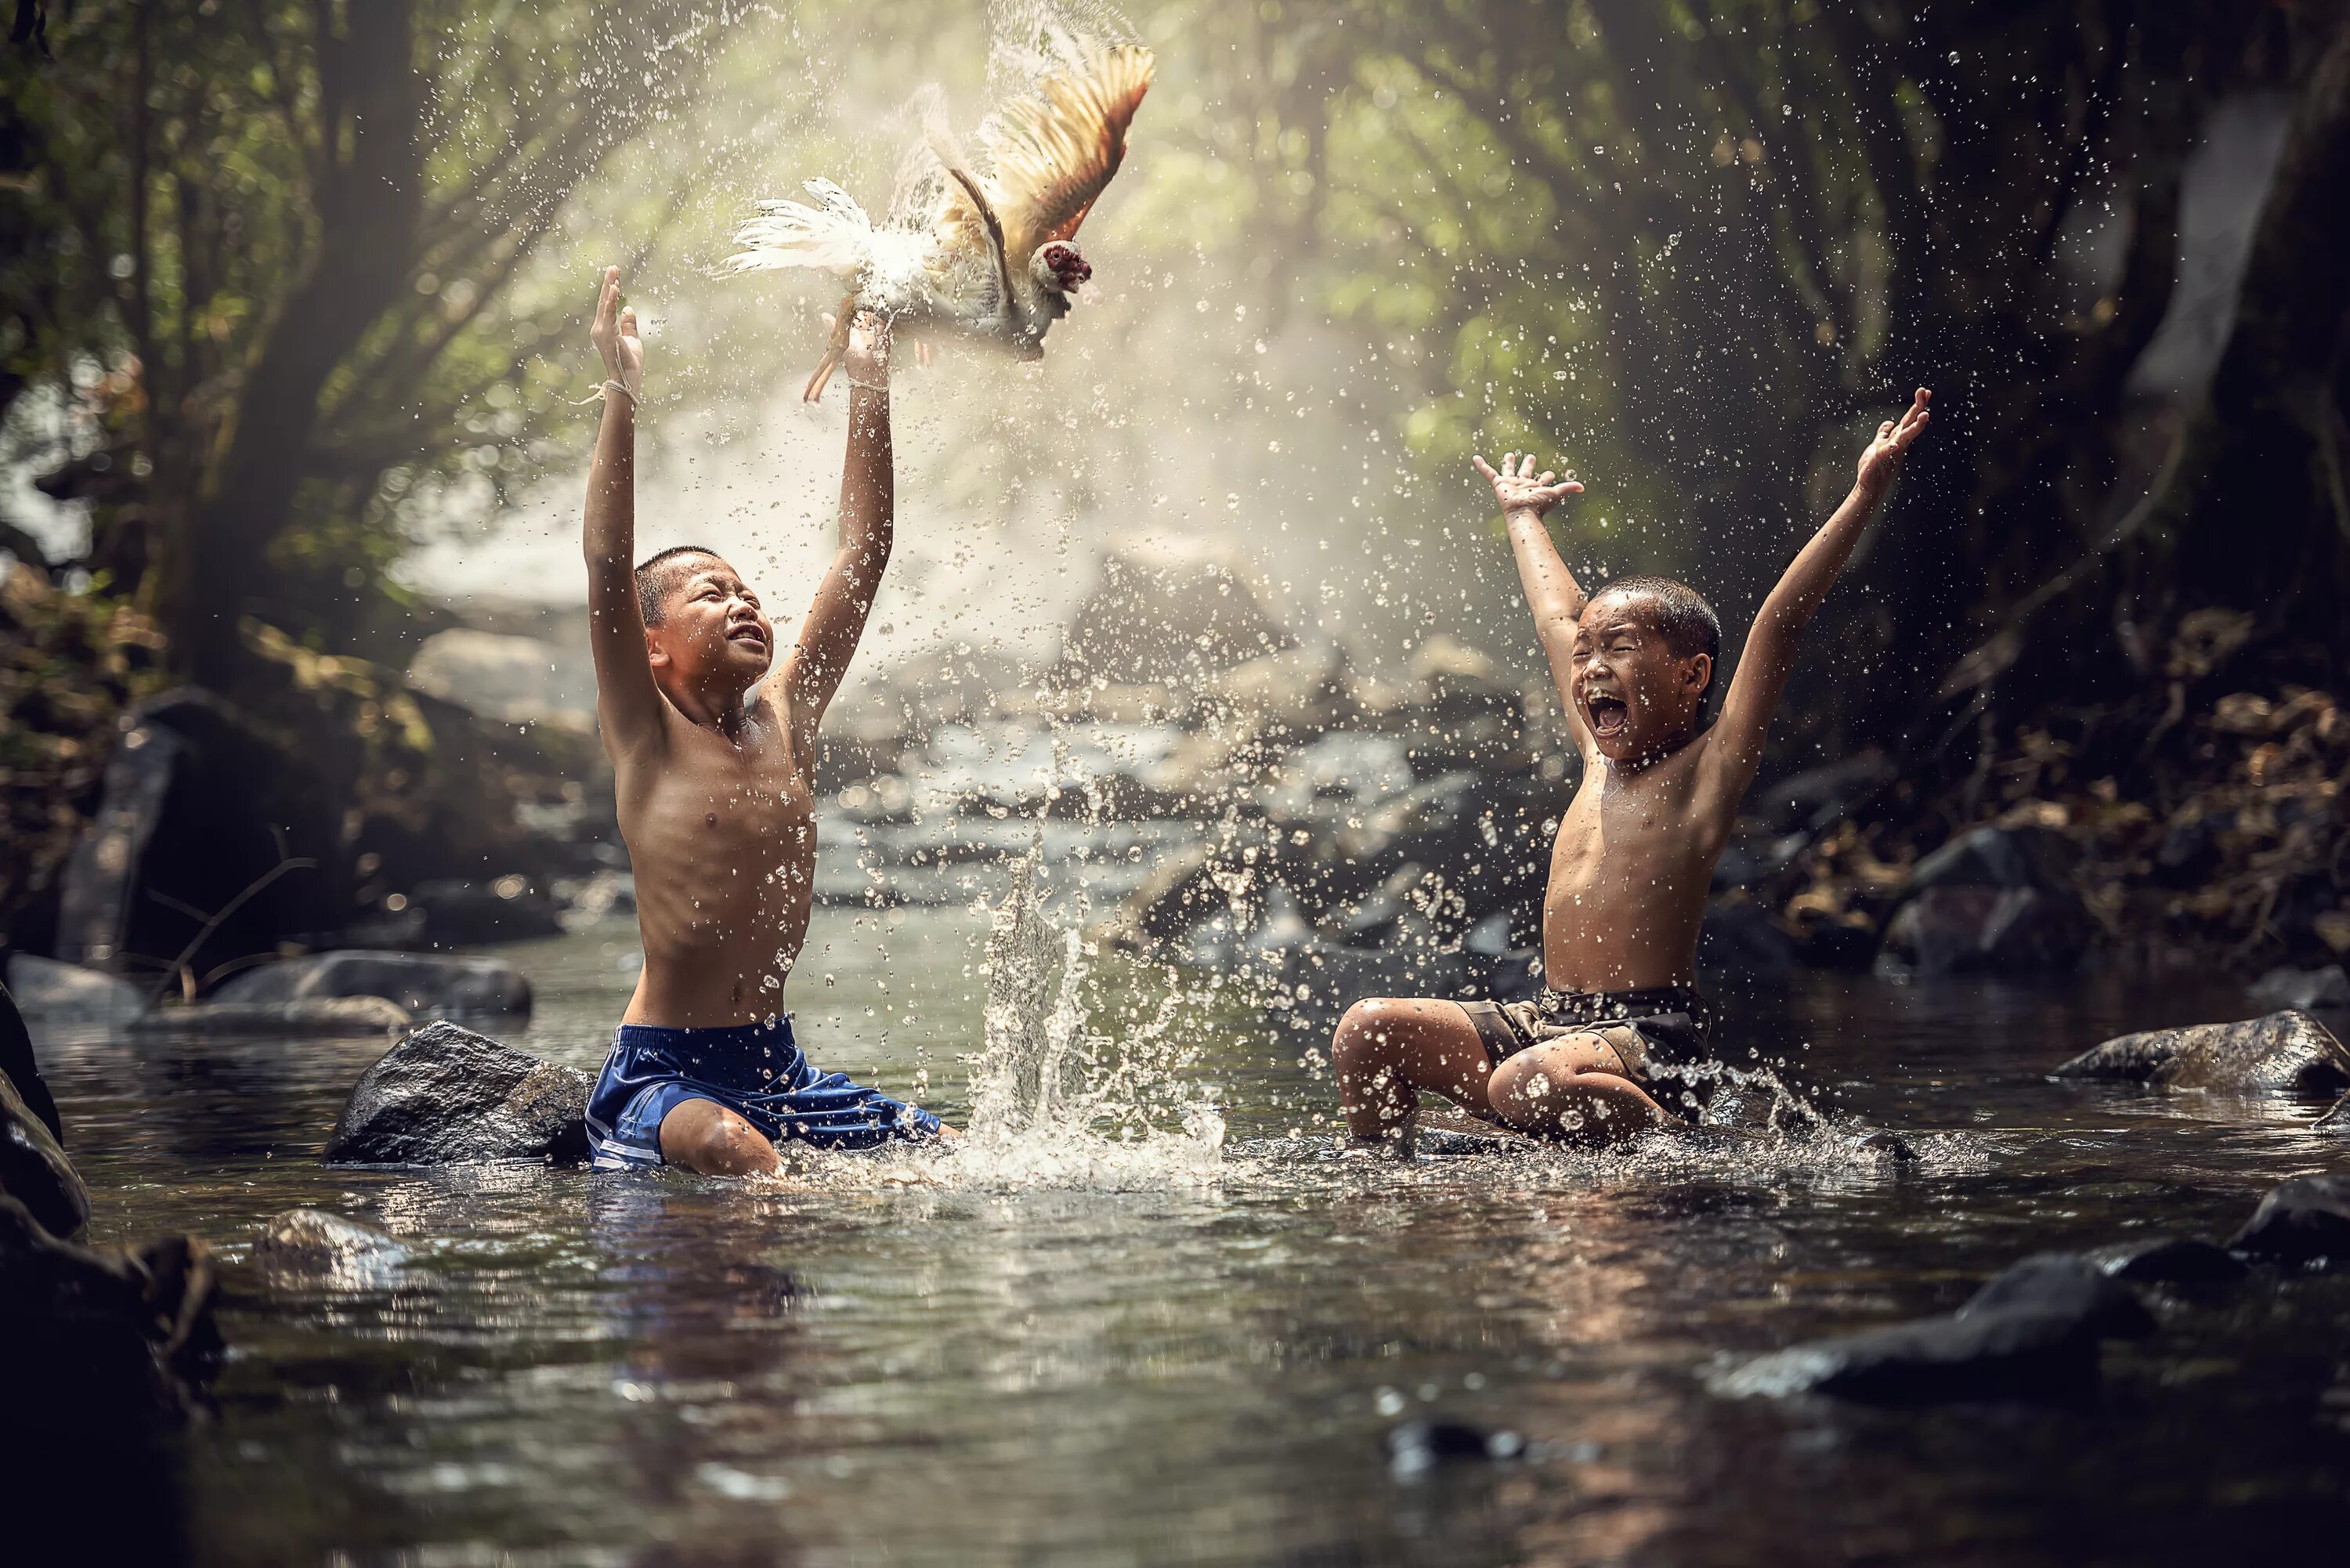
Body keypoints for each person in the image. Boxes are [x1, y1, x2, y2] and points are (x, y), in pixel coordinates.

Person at [1331, 388, 1935, 1151]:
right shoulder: (1595, 754)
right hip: (1551, 1021)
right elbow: (1559, 616)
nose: (1590, 669)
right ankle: (1395, 1189)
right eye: (1586, 656)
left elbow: (1781, 619)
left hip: (1647, 1035)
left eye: (1618, 649)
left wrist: (1862, 495)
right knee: (1368, 1031)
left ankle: (1684, 1153)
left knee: (1522, 1082)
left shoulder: (1707, 770)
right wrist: (1522, 517)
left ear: (1691, 675)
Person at [576, 266, 947, 1176]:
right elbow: (605, 559)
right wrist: (621, 392)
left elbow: (865, 550)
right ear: (651, 642)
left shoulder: (788, 716)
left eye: (749, 593)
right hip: (666, 1071)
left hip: (778, 1065)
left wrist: (870, 381)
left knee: (944, 1154)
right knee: (726, 1147)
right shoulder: (645, 738)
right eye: (713, 595)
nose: (746, 605)